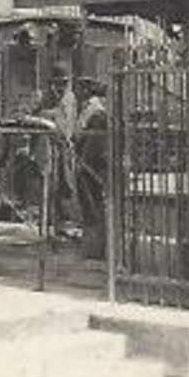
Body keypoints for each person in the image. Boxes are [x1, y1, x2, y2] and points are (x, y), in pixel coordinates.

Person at [73, 79, 110, 259]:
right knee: (90, 204)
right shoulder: (88, 108)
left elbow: (94, 140)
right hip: (86, 161)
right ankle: (94, 246)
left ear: (87, 90)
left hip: (91, 165)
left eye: (79, 88)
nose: (76, 92)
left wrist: (83, 163)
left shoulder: (96, 112)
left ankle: (96, 248)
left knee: (93, 204)